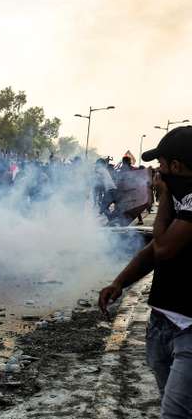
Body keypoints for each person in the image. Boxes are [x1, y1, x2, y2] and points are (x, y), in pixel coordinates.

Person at [99, 126, 192, 418]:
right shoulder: (183, 196)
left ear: (176, 166)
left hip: (189, 328)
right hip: (163, 321)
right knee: (173, 404)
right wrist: (119, 283)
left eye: (161, 165)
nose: (157, 173)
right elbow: (152, 252)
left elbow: (163, 247)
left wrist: (163, 197)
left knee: (174, 414)